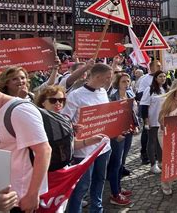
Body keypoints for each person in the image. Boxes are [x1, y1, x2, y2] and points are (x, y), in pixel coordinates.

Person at [0, 76, 51, 213]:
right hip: (2, 196)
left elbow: (44, 151)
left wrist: (32, 194)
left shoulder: (19, 111)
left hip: (20, 198)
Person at [62, 63, 113, 213]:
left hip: (104, 147)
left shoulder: (103, 91)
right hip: (85, 150)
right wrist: (74, 127)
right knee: (82, 186)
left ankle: (97, 209)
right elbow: (64, 119)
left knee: (100, 181)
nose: (110, 80)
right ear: (98, 77)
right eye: (108, 77)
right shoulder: (76, 95)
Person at [107, 73, 138, 206]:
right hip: (118, 134)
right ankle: (114, 193)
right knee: (116, 163)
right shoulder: (113, 98)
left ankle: (119, 188)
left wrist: (135, 125)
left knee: (122, 161)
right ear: (118, 83)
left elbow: (132, 113)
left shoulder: (130, 95)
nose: (126, 83)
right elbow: (111, 118)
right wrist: (115, 134)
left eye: (128, 81)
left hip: (128, 132)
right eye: (123, 81)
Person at [141, 70, 168, 174]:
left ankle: (161, 161)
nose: (163, 78)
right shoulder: (150, 89)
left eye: (164, 76)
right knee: (152, 141)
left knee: (160, 141)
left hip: (163, 120)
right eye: (160, 76)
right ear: (155, 78)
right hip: (153, 119)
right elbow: (144, 106)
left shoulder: (165, 89)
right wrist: (146, 121)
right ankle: (153, 164)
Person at [136, 60, 162, 165]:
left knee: (159, 137)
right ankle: (145, 154)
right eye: (157, 66)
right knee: (147, 136)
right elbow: (140, 95)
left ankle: (158, 156)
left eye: (160, 66)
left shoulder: (163, 79)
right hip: (150, 113)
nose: (159, 67)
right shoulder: (145, 79)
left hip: (160, 115)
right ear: (150, 67)